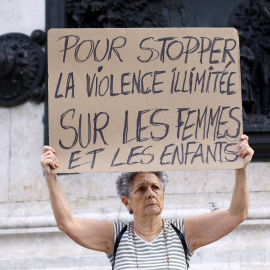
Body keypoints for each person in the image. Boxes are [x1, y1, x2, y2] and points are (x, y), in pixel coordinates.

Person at [40, 135, 254, 270]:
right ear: (127, 202)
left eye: (155, 187)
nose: (150, 193)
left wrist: (241, 168)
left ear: (163, 196)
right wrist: (51, 178)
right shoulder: (114, 235)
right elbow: (67, 223)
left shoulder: (184, 232)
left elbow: (237, 214)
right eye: (141, 189)